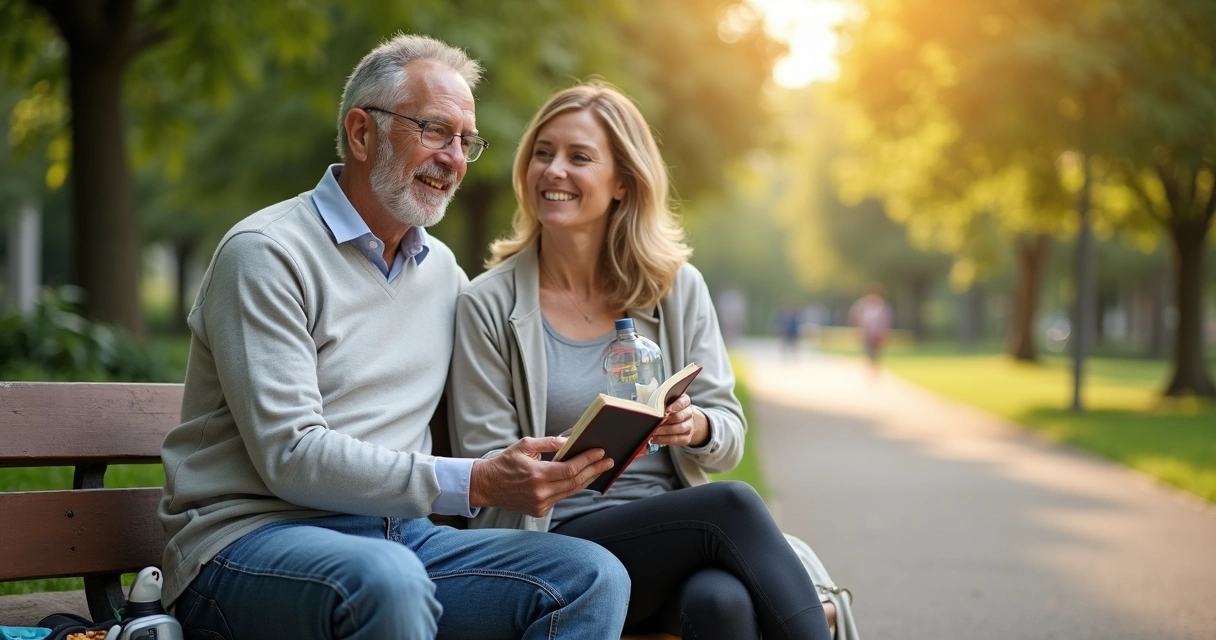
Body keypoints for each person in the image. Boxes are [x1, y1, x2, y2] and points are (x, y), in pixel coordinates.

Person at [158, 36, 631, 640]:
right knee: (387, 578)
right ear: (362, 134)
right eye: (435, 130)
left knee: (593, 576)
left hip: (400, 540)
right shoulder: (267, 254)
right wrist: (477, 480)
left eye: (466, 141)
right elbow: (291, 455)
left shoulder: (442, 274)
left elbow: (505, 377)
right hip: (247, 544)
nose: (454, 158)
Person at [450, 82, 844, 640]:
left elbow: (728, 436)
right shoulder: (486, 305)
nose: (553, 170)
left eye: (579, 157)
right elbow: (487, 474)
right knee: (729, 506)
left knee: (722, 602)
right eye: (543, 152)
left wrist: (696, 424)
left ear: (622, 184)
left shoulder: (676, 289)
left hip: (674, 537)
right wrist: (563, 465)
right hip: (552, 545)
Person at [849, 283, 893, 370]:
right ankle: (870, 369)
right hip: (866, 332)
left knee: (877, 353)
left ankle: (875, 369)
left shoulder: (882, 305)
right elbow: (855, 316)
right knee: (868, 352)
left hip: (878, 333)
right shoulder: (863, 304)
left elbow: (887, 320)